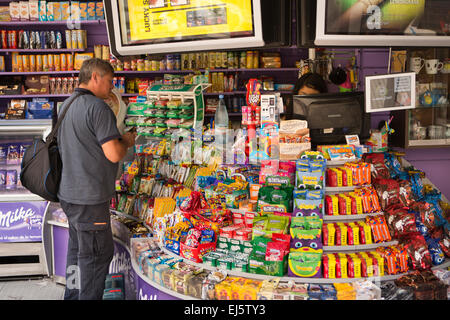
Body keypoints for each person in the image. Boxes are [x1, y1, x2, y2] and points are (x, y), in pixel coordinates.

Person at [57, 58, 137, 300]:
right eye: (110, 82)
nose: (111, 88)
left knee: (77, 253)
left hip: (69, 195)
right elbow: (114, 153)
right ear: (95, 77)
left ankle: (72, 296)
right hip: (89, 198)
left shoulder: (67, 104)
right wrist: (127, 140)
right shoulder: (97, 108)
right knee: (95, 257)